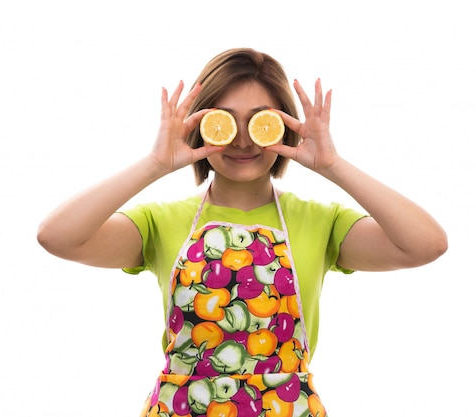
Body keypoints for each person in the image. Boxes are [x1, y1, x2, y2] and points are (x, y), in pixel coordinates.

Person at [37, 48, 448, 417]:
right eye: (224, 122)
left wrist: (334, 165)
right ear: (200, 125)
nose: (242, 141)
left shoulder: (322, 223)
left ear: (284, 127)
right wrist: (154, 165)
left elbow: (426, 245)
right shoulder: (158, 223)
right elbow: (57, 237)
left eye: (260, 123)